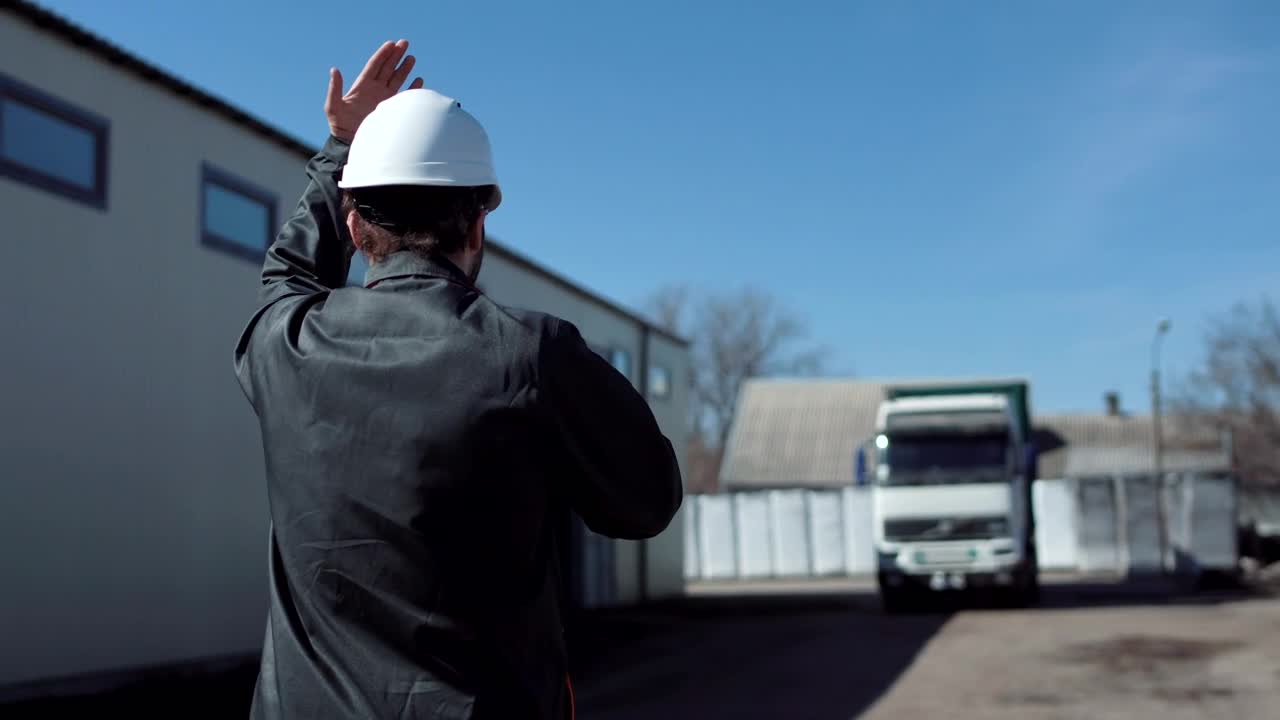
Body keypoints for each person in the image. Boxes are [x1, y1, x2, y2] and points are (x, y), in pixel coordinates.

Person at [233, 40, 683, 720]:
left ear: (354, 226)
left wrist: (341, 148)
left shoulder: (285, 343)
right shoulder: (531, 355)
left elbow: (288, 274)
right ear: (478, 226)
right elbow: (646, 502)